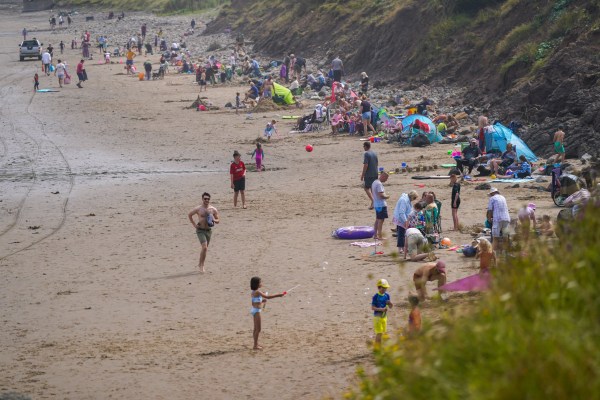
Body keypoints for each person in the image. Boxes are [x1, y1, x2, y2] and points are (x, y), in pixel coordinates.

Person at [250, 276, 286, 350]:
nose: (261, 283)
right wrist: (279, 295)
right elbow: (268, 297)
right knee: (258, 329)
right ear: (256, 284)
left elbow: (255, 302)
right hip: (256, 311)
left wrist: (262, 301)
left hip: (254, 310)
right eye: (260, 282)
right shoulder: (257, 292)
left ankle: (255, 344)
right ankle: (255, 345)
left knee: (255, 329)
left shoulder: (254, 292)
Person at [188, 192, 220, 272]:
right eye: (205, 198)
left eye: (208, 199)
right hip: (200, 230)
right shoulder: (198, 209)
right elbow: (189, 215)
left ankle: (200, 263)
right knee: (204, 247)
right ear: (202, 199)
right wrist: (194, 224)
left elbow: (218, 220)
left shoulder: (213, 209)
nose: (207, 200)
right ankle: (202, 266)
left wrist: (214, 220)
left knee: (205, 249)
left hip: (208, 231)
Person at [487, 187, 511, 253]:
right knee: (505, 237)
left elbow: (490, 210)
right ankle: (505, 253)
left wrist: (489, 219)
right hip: (506, 218)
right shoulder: (503, 197)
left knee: (495, 238)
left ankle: (492, 253)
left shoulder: (492, 198)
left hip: (498, 219)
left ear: (492, 193)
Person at [371, 278, 393, 347]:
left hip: (384, 317)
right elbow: (372, 308)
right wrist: (381, 309)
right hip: (377, 317)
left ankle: (380, 347)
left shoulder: (387, 295)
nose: (384, 290)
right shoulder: (376, 296)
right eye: (383, 288)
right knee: (379, 333)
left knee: (383, 333)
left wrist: (390, 303)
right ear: (379, 287)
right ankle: (377, 348)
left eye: (386, 288)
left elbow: (391, 307)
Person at [372, 172, 390, 240]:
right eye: (386, 178)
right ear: (383, 176)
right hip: (381, 205)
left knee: (377, 219)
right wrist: (387, 196)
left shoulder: (374, 182)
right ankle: (380, 236)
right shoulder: (379, 184)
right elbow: (381, 195)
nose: (386, 180)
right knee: (381, 220)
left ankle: (375, 235)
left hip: (377, 204)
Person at [361, 141, 378, 210]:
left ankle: (373, 201)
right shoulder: (374, 153)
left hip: (369, 174)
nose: (363, 148)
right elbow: (377, 163)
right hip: (375, 173)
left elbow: (366, 165)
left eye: (363, 146)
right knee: (373, 188)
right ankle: (374, 202)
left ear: (366, 146)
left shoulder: (366, 154)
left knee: (366, 188)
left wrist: (362, 175)